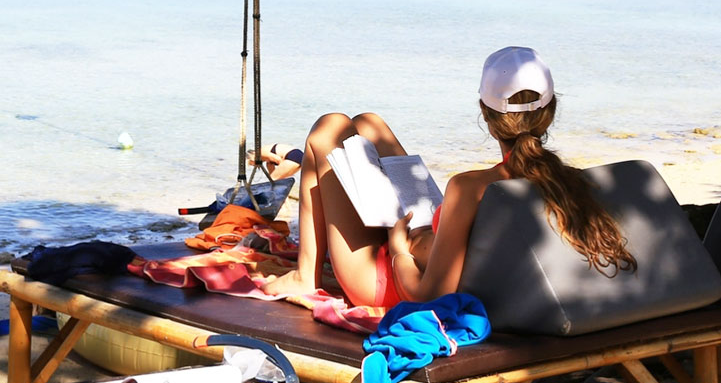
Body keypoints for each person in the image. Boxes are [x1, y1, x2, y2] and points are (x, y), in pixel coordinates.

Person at [260, 46, 636, 308]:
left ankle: (304, 275)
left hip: (388, 281)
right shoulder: (569, 183)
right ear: (550, 111)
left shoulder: (469, 187)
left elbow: (428, 297)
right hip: (426, 244)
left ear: (485, 115)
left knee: (330, 129)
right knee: (367, 125)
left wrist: (398, 249)